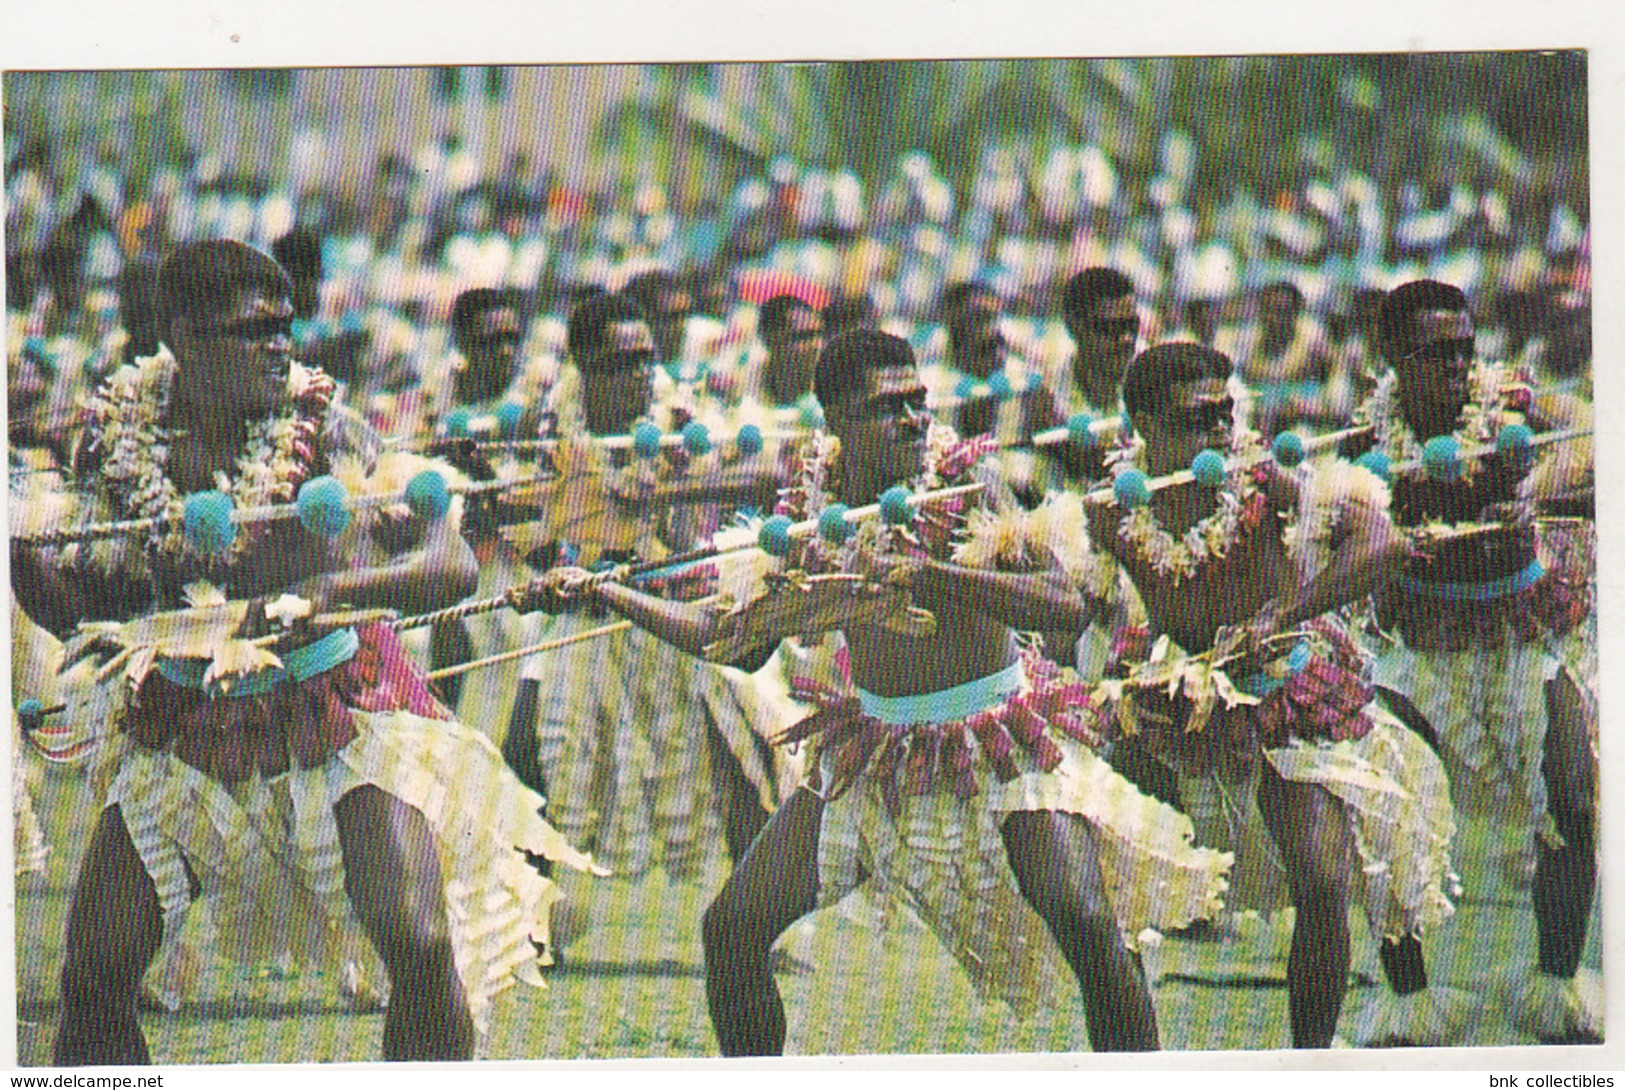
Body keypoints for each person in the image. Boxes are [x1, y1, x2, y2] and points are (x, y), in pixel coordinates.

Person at [528, 330, 1235, 1055]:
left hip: (999, 742)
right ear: (834, 420)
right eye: (884, 407)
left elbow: (1061, 603)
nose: (911, 419)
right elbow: (732, 640)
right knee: (730, 931)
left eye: (915, 401)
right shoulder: (811, 504)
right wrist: (610, 591)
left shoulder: (964, 486)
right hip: (873, 756)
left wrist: (933, 574)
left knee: (1086, 921)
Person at [10, 240, 600, 1064]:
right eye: (251, 330)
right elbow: (82, 604)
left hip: (335, 723)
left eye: (286, 326)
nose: (278, 346)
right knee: (93, 979)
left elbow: (450, 563)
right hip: (179, 733)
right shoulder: (114, 444)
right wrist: (29, 563)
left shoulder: (324, 430)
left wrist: (337, 595)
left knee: (421, 945)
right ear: (181, 334)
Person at [1087, 342, 1457, 1049]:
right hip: (1174, 709)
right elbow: (1066, 599)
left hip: (1286, 694)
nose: (1218, 432)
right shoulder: (1110, 512)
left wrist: (1283, 616)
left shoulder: (1264, 482)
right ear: (1144, 427)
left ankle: (1308, 1060)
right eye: (1196, 419)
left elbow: (1380, 544)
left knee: (1320, 882)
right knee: (1108, 885)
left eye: (1225, 413)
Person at [1345, 280, 1597, 1044]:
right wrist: (1386, 544)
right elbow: (1346, 525)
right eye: (1436, 352)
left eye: (1465, 348)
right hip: (1420, 647)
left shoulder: (1514, 406)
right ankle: (1409, 1001)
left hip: (1522, 635)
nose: (1458, 365)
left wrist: (1540, 485)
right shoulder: (1364, 442)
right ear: (1391, 356)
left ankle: (1557, 986)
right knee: (1383, 810)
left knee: (1575, 804)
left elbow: (1589, 438)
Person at [501, 292, 782, 880]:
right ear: (582, 365)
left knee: (740, 757)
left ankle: (759, 924)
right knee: (527, 756)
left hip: (673, 606)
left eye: (646, 359)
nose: (638, 374)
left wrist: (667, 493)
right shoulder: (543, 424)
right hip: (577, 614)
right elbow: (522, 520)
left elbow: (766, 475)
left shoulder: (684, 417)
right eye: (620, 363)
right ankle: (527, 926)